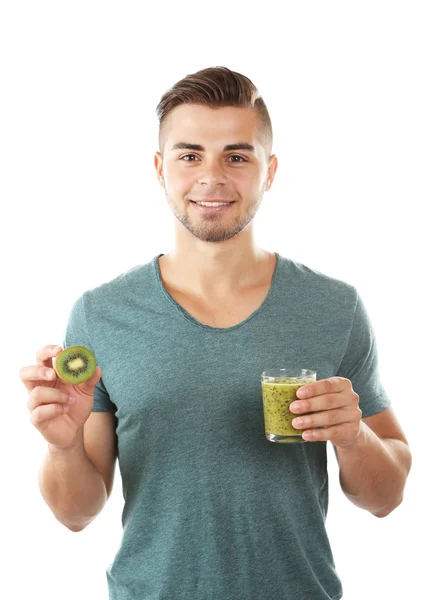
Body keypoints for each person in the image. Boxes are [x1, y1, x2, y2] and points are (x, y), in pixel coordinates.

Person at [20, 66, 412, 600]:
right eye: (189, 155)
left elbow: (385, 498)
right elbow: (75, 514)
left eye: (236, 155)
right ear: (160, 168)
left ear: (268, 170)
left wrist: (353, 435)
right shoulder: (100, 314)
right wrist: (63, 448)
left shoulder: (334, 307)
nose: (211, 177)